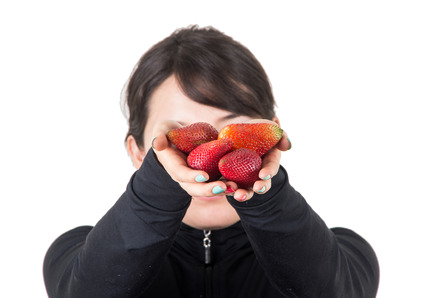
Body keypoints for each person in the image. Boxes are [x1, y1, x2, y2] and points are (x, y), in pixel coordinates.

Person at [43, 25, 379, 297]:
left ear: (273, 131)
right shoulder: (76, 254)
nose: (212, 158)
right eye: (181, 134)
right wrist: (162, 181)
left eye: (234, 130)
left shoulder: (344, 255)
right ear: (138, 152)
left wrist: (264, 194)